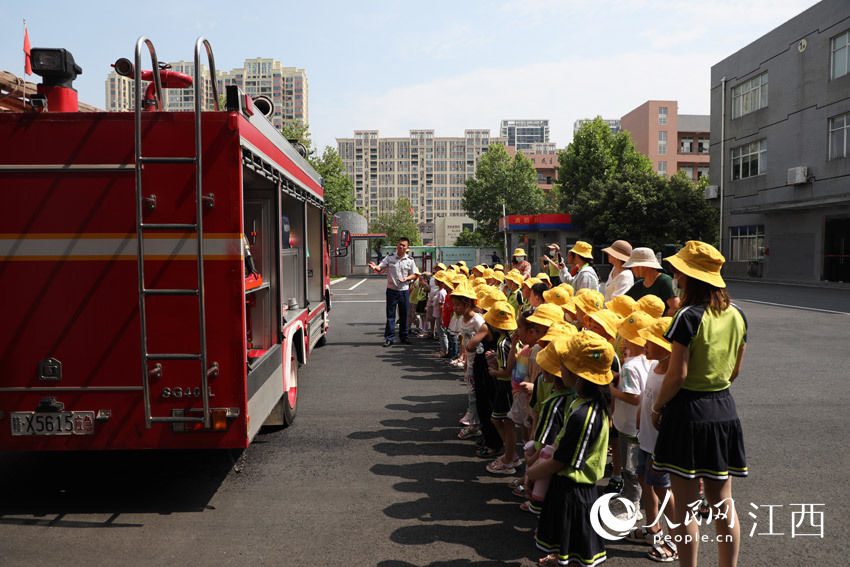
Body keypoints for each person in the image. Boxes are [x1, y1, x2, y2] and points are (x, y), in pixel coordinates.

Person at [651, 241, 748, 567]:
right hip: (724, 410)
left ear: (691, 276)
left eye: (680, 269)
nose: (675, 274)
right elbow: (735, 369)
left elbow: (676, 375)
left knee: (686, 507)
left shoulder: (687, 317)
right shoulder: (737, 315)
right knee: (723, 503)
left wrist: (657, 407)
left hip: (688, 413)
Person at [529, 331, 613, 567]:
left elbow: (563, 460)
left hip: (576, 492)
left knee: (577, 548)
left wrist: (532, 473)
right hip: (566, 487)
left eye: (564, 363)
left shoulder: (585, 415)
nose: (560, 368)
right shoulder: (579, 402)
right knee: (566, 543)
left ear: (579, 376)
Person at [629, 317, 679, 563]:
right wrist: (640, 419)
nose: (644, 343)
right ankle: (653, 528)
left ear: (667, 346)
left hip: (661, 445)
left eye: (651, 340)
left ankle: (677, 538)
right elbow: (646, 398)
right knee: (644, 481)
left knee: (662, 488)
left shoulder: (673, 375)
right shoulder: (654, 366)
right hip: (645, 439)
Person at [368, 237, 419, 347]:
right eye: (400, 244)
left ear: (407, 247)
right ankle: (389, 338)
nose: (401, 247)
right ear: (397, 245)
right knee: (390, 315)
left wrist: (406, 279)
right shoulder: (390, 258)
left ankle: (404, 336)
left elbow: (415, 274)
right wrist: (375, 267)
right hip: (391, 291)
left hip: (404, 291)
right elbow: (380, 268)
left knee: (404, 315)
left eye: (403, 245)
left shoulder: (410, 260)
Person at [623, 247, 680, 316]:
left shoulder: (665, 281)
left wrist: (658, 319)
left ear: (643, 266)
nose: (631, 269)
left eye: (633, 266)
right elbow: (622, 302)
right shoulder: (639, 285)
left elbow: (675, 307)